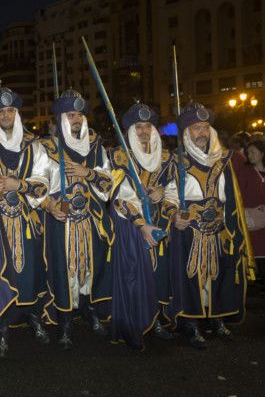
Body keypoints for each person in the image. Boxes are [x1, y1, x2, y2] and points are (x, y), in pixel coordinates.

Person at [0, 85, 50, 357]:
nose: (6, 115)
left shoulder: (34, 145)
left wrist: (19, 185)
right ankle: (2, 327)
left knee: (31, 270)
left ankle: (34, 317)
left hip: (26, 222)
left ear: (17, 113)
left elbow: (43, 182)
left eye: (11, 110)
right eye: (1, 111)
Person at [165, 102, 250, 349]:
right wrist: (174, 215)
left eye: (204, 127)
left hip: (219, 229)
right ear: (186, 133)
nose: (201, 133)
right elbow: (169, 196)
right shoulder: (176, 161)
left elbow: (231, 197)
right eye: (195, 128)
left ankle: (217, 318)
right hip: (189, 230)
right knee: (190, 278)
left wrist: (231, 227)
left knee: (219, 275)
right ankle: (190, 323)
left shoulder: (224, 159)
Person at [41, 89, 114, 349]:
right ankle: (64, 321)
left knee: (91, 267)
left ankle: (90, 311)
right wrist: (49, 205)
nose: (76, 119)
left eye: (80, 115)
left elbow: (108, 182)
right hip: (61, 220)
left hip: (91, 218)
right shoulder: (46, 148)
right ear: (60, 118)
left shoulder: (95, 145)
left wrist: (88, 173)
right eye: (71, 115)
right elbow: (37, 184)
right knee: (63, 270)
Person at [109, 102, 174, 349]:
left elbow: (176, 186)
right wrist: (141, 225)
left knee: (157, 272)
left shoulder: (166, 157)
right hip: (131, 226)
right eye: (138, 127)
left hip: (159, 220)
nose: (144, 131)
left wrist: (162, 189)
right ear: (130, 130)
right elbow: (119, 197)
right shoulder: (119, 156)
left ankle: (156, 320)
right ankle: (133, 325)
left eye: (147, 126)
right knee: (134, 275)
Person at [236, 138, 265, 291]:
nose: (250, 155)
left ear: (263, 153)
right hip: (252, 220)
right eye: (248, 152)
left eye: (253, 152)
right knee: (255, 249)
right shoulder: (245, 172)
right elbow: (238, 195)